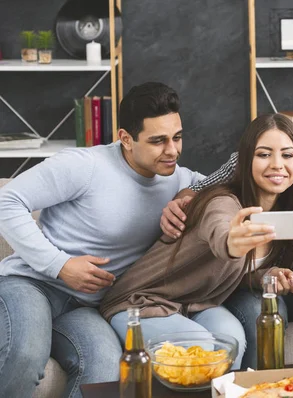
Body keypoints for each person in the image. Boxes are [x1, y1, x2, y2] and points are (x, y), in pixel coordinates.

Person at [0, 82, 204, 398]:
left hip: (87, 306)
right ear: (125, 139)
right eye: (158, 141)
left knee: (107, 370)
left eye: (177, 137)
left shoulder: (176, 176)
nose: (173, 150)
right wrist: (61, 264)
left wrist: (190, 193)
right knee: (25, 353)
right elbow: (7, 200)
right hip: (31, 284)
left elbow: (221, 185)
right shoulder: (85, 166)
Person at [159, 62, 293, 369]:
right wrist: (179, 203)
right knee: (268, 316)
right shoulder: (272, 152)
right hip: (252, 279)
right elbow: (199, 192)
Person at [100, 113, 293, 370]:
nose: (277, 164)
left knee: (231, 340)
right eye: (264, 154)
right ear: (245, 160)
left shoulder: (279, 217)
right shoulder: (223, 203)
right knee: (198, 346)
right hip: (141, 302)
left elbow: (227, 271)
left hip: (194, 304)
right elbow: (221, 233)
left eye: (287, 155)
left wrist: (266, 274)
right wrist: (231, 243)